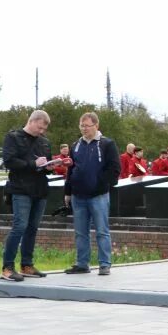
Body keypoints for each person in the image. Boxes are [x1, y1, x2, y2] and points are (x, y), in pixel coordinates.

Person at [63, 112, 122, 276]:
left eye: (87, 126)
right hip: (78, 195)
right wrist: (68, 191)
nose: (84, 129)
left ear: (96, 126)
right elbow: (70, 169)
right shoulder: (75, 145)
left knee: (102, 230)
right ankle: (82, 263)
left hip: (98, 195)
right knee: (80, 232)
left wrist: (101, 184)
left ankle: (104, 263)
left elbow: (115, 168)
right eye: (81, 126)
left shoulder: (107, 144)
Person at [0, 110, 55, 281]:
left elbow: (47, 162)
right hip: (21, 189)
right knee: (19, 227)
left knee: (32, 228)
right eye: (39, 128)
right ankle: (7, 267)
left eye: (44, 129)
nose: (41, 132)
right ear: (32, 121)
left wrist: (50, 166)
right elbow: (8, 161)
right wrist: (33, 164)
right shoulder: (13, 137)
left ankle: (27, 264)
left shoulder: (45, 142)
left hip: (40, 189)